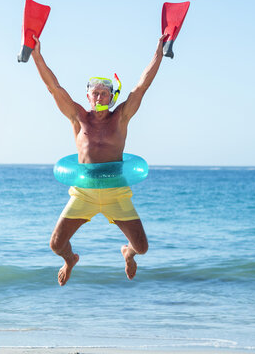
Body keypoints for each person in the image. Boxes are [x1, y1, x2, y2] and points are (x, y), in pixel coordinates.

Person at [32, 33, 168, 286]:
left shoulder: (121, 117)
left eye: (104, 93)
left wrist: (158, 54)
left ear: (111, 97)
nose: (99, 97)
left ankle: (127, 253)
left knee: (142, 247)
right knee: (56, 244)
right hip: (84, 192)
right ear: (88, 97)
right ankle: (70, 259)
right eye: (94, 93)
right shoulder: (78, 117)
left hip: (116, 191)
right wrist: (37, 55)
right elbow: (54, 87)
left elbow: (142, 86)